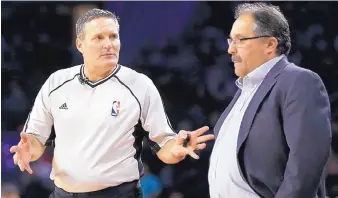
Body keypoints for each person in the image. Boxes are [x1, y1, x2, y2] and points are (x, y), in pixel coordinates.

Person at [9, 8, 214, 198]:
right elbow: (35, 138)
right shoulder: (56, 83)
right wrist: (29, 150)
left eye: (113, 36)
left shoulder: (139, 85)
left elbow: (164, 146)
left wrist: (177, 148)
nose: (108, 44)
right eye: (99, 37)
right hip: (64, 193)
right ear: (80, 44)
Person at [208, 2, 331, 198]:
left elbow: (305, 166)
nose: (231, 49)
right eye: (230, 40)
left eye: (240, 40)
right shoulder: (244, 90)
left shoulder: (299, 81)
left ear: (270, 44)